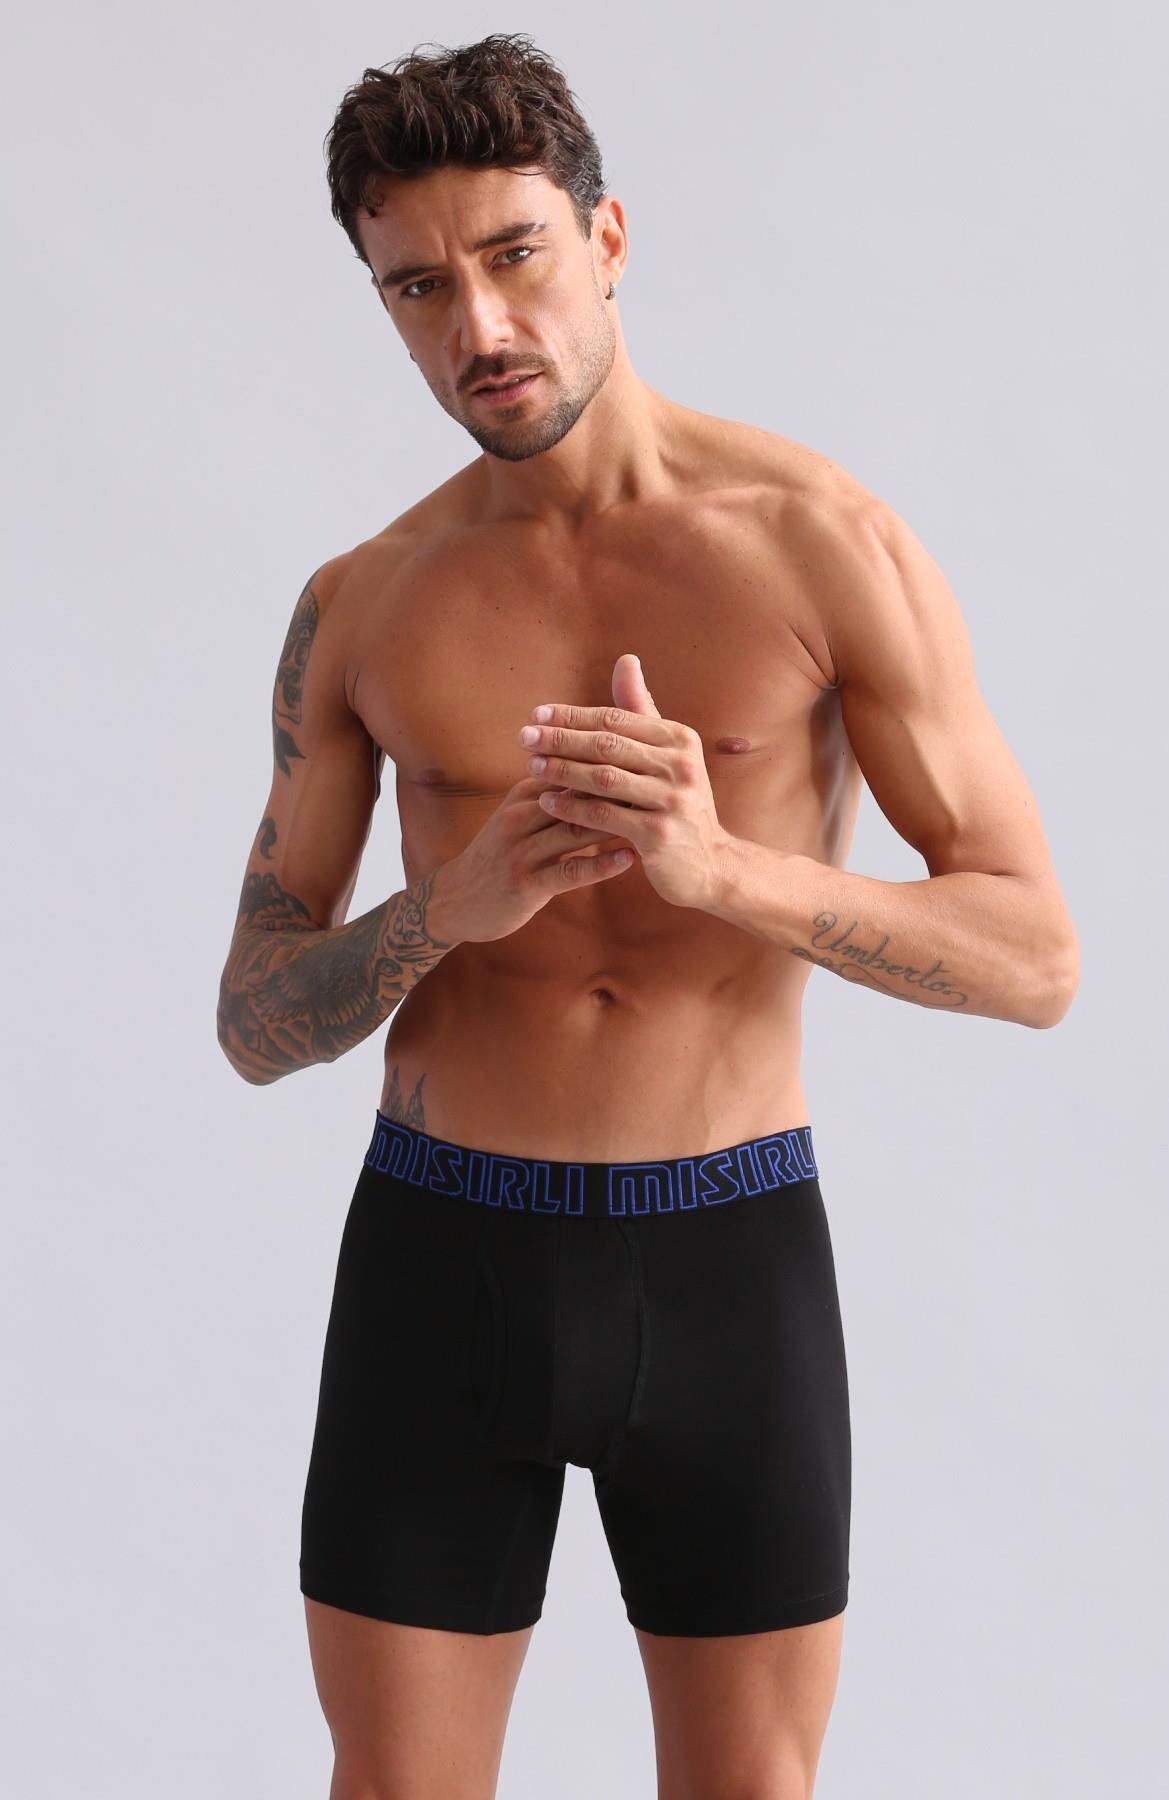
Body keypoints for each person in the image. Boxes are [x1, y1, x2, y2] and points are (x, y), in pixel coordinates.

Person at [216, 30, 1080, 1800]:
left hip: (726, 1255)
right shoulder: (365, 604)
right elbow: (251, 1019)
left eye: (513, 254)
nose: (479, 325)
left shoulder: (822, 543)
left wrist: (724, 869)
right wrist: (447, 908)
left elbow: (1037, 955)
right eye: (417, 287)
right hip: (440, 1258)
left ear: (606, 237)